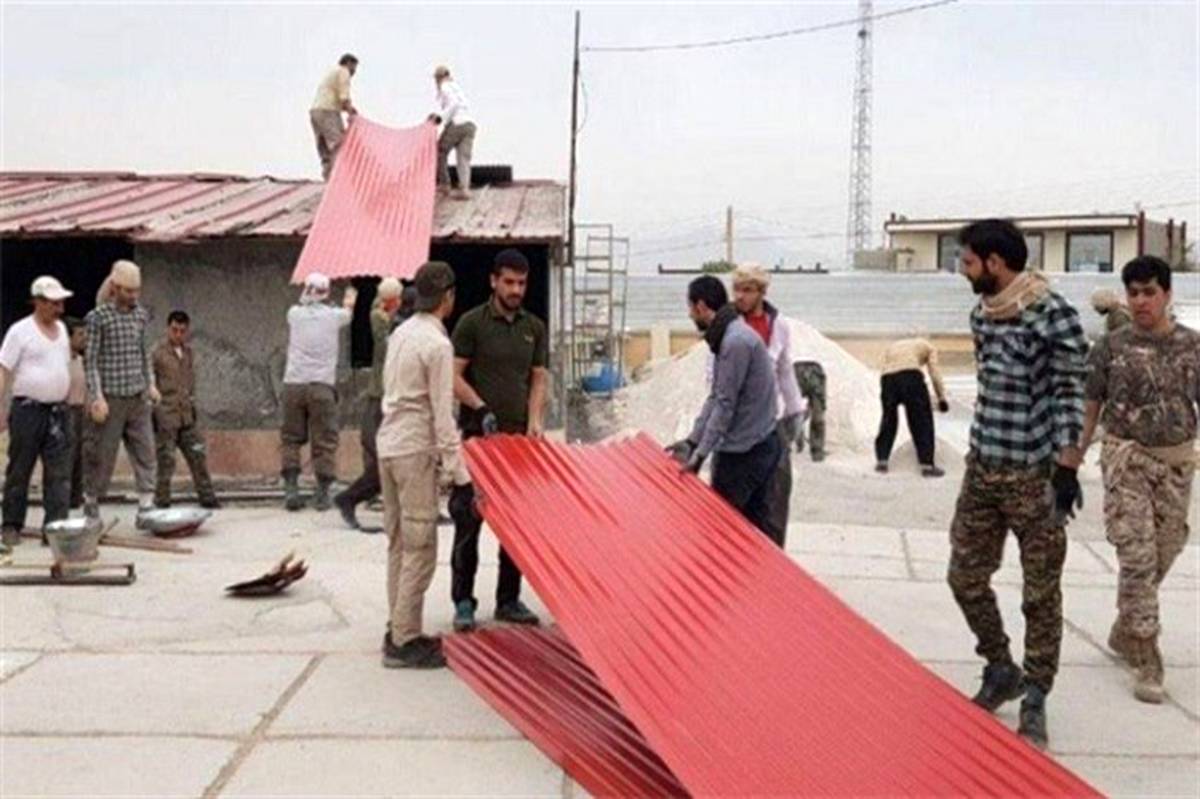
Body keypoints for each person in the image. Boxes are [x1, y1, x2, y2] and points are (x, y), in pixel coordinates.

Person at [947, 219, 1088, 750]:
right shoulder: (982, 314)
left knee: (1039, 593)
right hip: (983, 468)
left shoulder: (1051, 314)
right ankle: (1000, 667)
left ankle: (1036, 694)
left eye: (968, 262)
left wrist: (1067, 467)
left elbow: (1070, 393)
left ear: (995, 262)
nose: (963, 271)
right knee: (964, 577)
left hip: (1035, 476)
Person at [1079, 256, 1199, 704]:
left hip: (1176, 465)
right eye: (1134, 293)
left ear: (1167, 294)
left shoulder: (1192, 346)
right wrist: (1071, 459)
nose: (1141, 301)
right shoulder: (1110, 347)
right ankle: (1147, 655)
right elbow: (1091, 406)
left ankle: (1125, 626)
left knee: (1166, 549)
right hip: (1126, 461)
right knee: (1137, 557)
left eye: (1150, 292)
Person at [376, 261, 473, 669]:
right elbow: (442, 415)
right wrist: (460, 474)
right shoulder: (437, 344)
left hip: (388, 445)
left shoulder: (400, 332)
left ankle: (399, 624)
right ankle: (404, 640)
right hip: (414, 450)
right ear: (448, 297)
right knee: (421, 547)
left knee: (399, 543)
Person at [450, 249, 547, 631]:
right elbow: (453, 375)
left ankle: (508, 600)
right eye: (508, 282)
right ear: (493, 281)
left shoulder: (533, 327)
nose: (515, 290)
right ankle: (463, 602)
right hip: (478, 442)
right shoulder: (472, 323)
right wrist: (479, 407)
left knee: (515, 527)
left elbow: (538, 378)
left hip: (517, 444)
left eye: (521, 283)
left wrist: (535, 421)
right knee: (469, 521)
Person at [674, 276, 780, 538]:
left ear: (701, 306)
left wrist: (700, 455)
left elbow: (725, 404)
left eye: (690, 308)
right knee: (749, 535)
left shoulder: (735, 342)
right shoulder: (728, 336)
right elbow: (716, 396)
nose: (690, 315)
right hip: (752, 446)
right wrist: (692, 441)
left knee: (723, 534)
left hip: (747, 454)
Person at [730, 264, 804, 547]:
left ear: (762, 292)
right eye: (737, 289)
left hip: (771, 427)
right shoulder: (728, 325)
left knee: (772, 510)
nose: (740, 296)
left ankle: (770, 565)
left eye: (747, 290)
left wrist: (795, 411)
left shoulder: (778, 326)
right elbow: (714, 376)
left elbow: (784, 369)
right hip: (737, 429)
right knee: (735, 514)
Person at [83, 260, 160, 524]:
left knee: (145, 450)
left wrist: (150, 384)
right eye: (128, 290)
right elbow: (91, 361)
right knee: (102, 455)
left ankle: (146, 504)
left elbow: (144, 354)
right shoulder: (98, 318)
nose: (133, 295)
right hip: (111, 397)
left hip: (137, 397)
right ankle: (91, 502)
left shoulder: (141, 316)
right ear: (115, 288)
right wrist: (97, 397)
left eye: (136, 290)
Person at [0, 276, 74, 548]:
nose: (59, 309)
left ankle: (55, 527)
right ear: (38, 302)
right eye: (54, 304)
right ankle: (11, 524)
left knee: (58, 473)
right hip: (28, 410)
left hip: (57, 411)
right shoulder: (20, 332)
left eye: (60, 303)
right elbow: (3, 370)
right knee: (20, 469)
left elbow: (63, 366)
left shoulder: (62, 330)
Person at [280, 273, 355, 512]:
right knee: (324, 440)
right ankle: (322, 493)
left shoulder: (294, 314)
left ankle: (291, 489)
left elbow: (305, 304)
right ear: (326, 292)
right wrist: (350, 294)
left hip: (293, 384)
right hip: (322, 386)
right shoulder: (335, 316)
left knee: (291, 439)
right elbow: (348, 312)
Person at [334, 277, 404, 532]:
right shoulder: (380, 318)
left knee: (392, 460)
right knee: (386, 460)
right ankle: (349, 498)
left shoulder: (389, 319)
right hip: (381, 395)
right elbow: (385, 350)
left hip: (387, 395)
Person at [151, 311, 218, 509]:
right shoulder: (157, 352)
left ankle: (207, 498)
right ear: (168, 328)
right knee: (166, 461)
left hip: (187, 416)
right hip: (166, 416)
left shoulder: (188, 353)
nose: (178, 334)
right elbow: (150, 380)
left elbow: (190, 382)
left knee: (198, 455)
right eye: (174, 330)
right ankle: (162, 500)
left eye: (182, 331)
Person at [874, 336, 949, 477]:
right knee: (921, 420)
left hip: (887, 379)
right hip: (910, 376)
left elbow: (884, 366)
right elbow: (934, 373)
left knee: (888, 419)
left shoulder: (895, 345)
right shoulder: (929, 347)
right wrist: (942, 398)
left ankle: (882, 461)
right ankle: (927, 465)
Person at [428, 65, 476, 201]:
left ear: (438, 77)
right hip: (470, 125)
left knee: (440, 151)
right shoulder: (456, 87)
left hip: (457, 123)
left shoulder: (445, 86)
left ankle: (445, 184)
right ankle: (464, 189)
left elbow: (453, 104)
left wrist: (440, 118)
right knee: (463, 158)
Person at [310, 53, 359, 180]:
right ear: (348, 63)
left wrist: (348, 108)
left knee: (324, 149)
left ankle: (328, 177)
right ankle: (340, 178)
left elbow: (337, 99)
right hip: (328, 111)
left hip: (315, 112)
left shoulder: (332, 73)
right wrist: (352, 113)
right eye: (354, 67)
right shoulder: (343, 72)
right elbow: (344, 97)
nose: (354, 72)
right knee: (339, 144)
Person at [65, 317, 88, 509]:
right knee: (66, 456)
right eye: (80, 334)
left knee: (80, 456)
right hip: (66, 410)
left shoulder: (82, 361)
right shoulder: (60, 361)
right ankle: (63, 498)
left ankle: (76, 497)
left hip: (81, 410)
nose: (84, 338)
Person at [792, 357, 827, 462]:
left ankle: (817, 450)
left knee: (818, 416)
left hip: (817, 370)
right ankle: (796, 436)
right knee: (792, 410)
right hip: (797, 368)